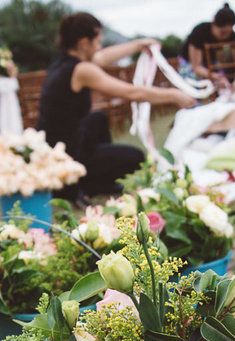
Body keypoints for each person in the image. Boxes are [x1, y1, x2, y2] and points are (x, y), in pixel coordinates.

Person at [38, 12, 195, 201]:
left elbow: (103, 57)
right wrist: (173, 95)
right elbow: (132, 93)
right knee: (136, 157)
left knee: (99, 119)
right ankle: (85, 184)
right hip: (66, 156)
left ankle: (99, 179)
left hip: (57, 143)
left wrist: (139, 44)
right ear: (84, 43)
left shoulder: (64, 63)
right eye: (97, 41)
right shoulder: (82, 70)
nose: (100, 47)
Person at [180, 4, 235, 93]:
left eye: (228, 32)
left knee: (223, 83)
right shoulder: (199, 32)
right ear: (214, 25)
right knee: (194, 87)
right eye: (222, 32)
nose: (225, 36)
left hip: (211, 63)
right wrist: (215, 77)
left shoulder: (232, 36)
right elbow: (196, 67)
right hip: (190, 64)